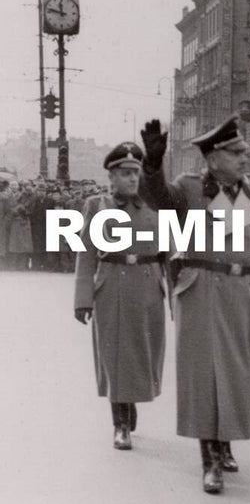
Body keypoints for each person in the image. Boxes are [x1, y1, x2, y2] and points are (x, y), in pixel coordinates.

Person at [139, 115, 250, 495]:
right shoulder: (189, 189)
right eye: (236, 152)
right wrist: (151, 164)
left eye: (244, 151)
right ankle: (209, 458)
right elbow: (156, 198)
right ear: (212, 159)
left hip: (246, 294)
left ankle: (225, 440)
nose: (245, 157)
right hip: (202, 290)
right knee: (204, 375)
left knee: (239, 374)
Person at [74, 142, 166, 450]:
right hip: (111, 284)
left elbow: (171, 252)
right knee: (114, 354)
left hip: (148, 284)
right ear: (111, 177)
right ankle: (120, 422)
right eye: (125, 173)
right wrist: (82, 298)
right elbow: (86, 253)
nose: (131, 179)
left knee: (142, 352)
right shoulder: (96, 206)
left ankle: (131, 400)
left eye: (135, 173)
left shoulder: (155, 206)